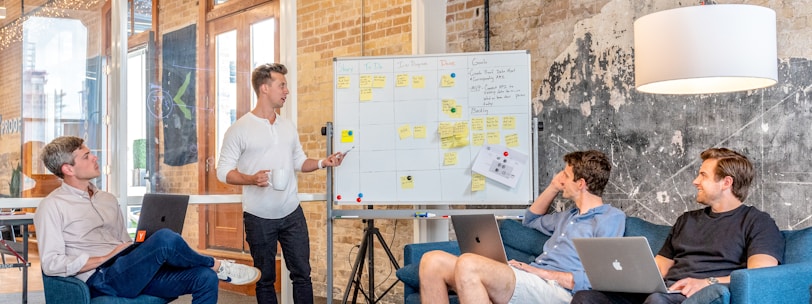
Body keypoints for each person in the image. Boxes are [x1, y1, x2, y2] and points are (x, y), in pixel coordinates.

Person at [34, 136, 261, 303]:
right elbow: (52, 264)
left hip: (127, 270)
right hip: (101, 278)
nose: (94, 156)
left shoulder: (107, 199)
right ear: (68, 169)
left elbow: (121, 241)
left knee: (204, 277)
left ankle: (211, 269)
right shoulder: (52, 206)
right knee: (165, 240)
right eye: (86, 155)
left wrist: (136, 250)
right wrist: (104, 257)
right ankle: (217, 265)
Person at [571, 147, 785, 304]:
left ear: (726, 183)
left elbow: (759, 276)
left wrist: (708, 282)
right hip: (665, 292)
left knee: (657, 300)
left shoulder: (757, 222)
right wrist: (623, 278)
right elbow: (658, 268)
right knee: (585, 298)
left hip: (697, 295)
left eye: (703, 175)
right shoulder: (686, 220)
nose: (695, 181)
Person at [419, 150, 626, 304]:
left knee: (468, 263)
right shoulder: (566, 217)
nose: (561, 179)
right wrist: (553, 187)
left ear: (580, 184)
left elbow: (602, 277)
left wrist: (543, 273)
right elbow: (531, 220)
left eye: (565, 175)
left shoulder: (609, 218)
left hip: (556, 290)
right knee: (432, 261)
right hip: (532, 279)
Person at [216, 63, 344, 304]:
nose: (286, 91)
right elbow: (223, 172)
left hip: (291, 213)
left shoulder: (287, 126)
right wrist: (251, 179)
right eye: (282, 85)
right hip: (258, 217)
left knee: (302, 275)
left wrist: (322, 162)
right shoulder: (239, 129)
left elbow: (299, 161)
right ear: (264, 88)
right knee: (265, 279)